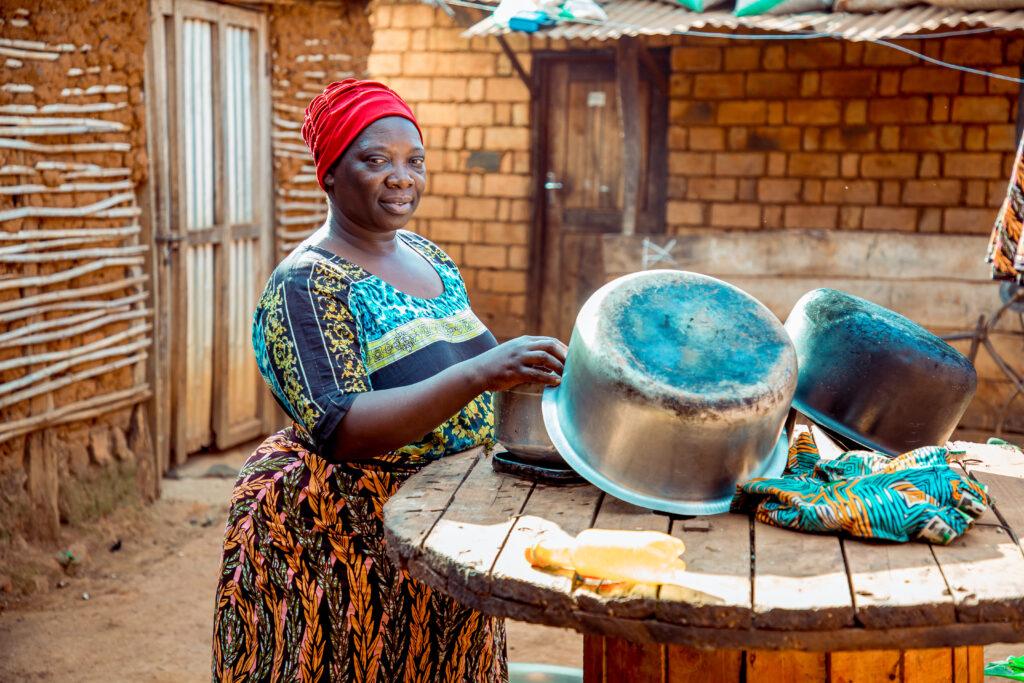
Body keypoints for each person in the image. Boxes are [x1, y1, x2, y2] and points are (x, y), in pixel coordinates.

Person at [211, 80, 567, 682]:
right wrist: (480, 373)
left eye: (414, 161)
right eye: (375, 160)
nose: (401, 177)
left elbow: (453, 359)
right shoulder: (309, 284)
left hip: (441, 526)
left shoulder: (429, 257)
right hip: (338, 547)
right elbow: (343, 428)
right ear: (330, 173)